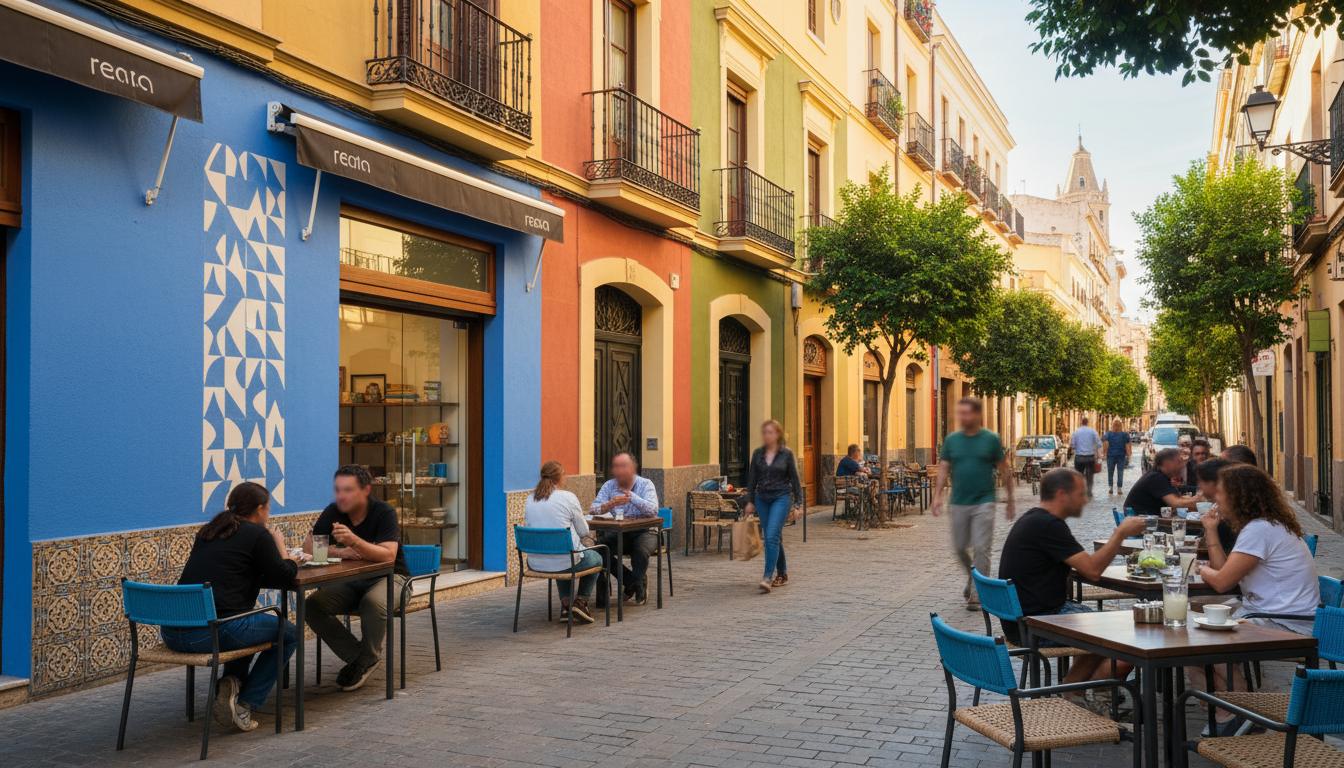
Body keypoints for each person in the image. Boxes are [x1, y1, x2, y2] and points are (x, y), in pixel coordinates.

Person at [998, 469, 1147, 716]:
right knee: (1114, 630)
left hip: (1024, 619)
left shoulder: (1036, 520)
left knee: (1105, 623)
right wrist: (1120, 532)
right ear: (1061, 494)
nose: (1086, 499)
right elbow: (1093, 570)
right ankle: (1077, 692)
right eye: (1081, 494)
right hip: (1034, 626)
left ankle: (1081, 691)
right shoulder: (1048, 525)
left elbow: (1079, 563)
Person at [1188, 463, 1320, 736]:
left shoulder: (1260, 530)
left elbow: (1223, 582)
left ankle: (1244, 708)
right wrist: (1211, 530)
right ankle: (1231, 711)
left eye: (1221, 492)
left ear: (1239, 495)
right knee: (1189, 644)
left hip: (1289, 624)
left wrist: (1196, 568)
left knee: (1195, 644)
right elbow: (1226, 574)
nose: (1216, 498)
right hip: (1270, 614)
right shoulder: (1264, 525)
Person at [163, 482, 302, 731]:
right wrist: (284, 550)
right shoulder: (258, 534)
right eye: (268, 509)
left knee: (245, 621)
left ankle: (231, 684)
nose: (268, 515)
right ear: (260, 509)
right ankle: (244, 703)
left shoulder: (210, 530)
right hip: (211, 634)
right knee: (289, 633)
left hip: (174, 633)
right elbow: (283, 575)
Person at [305, 465, 409, 692]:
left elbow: (389, 556)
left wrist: (354, 541)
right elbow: (309, 546)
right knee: (313, 605)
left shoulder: (384, 512)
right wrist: (339, 551)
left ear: (365, 491)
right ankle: (361, 658)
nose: (341, 496)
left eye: (348, 490)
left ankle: (365, 657)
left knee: (372, 601)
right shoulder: (333, 511)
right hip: (353, 580)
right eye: (338, 489)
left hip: (392, 577)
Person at [932, 397, 1014, 612]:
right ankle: (972, 576)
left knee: (981, 547)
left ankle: (978, 593)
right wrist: (937, 495)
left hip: (984, 501)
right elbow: (943, 468)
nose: (962, 417)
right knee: (959, 547)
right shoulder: (952, 440)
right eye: (960, 413)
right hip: (958, 501)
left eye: (967, 413)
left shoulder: (991, 439)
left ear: (977, 415)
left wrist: (1010, 500)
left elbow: (1004, 470)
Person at [524, 461, 598, 624]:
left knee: (561, 554)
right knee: (598, 557)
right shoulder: (568, 497)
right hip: (566, 561)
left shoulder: (531, 498)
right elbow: (584, 531)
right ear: (561, 477)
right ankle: (580, 601)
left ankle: (566, 605)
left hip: (535, 562)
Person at [590, 452, 660, 607]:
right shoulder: (609, 486)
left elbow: (653, 511)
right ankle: (631, 581)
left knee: (640, 551)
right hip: (621, 533)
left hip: (645, 531)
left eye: (623, 466)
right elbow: (593, 509)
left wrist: (632, 497)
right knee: (600, 550)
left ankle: (638, 585)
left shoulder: (645, 484)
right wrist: (609, 504)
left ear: (632, 468)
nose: (619, 470)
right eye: (616, 466)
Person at [744, 419, 803, 593]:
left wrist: (799, 504)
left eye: (770, 432)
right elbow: (751, 480)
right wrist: (750, 501)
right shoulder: (757, 454)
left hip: (781, 498)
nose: (766, 435)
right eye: (764, 432)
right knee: (774, 537)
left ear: (778, 434)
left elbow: (795, 479)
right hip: (762, 498)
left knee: (770, 536)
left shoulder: (787, 454)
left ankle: (767, 577)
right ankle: (782, 573)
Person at [1121, 448, 1202, 517]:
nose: (1182, 465)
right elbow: (1177, 504)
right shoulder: (1156, 478)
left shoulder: (1158, 476)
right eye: (1179, 462)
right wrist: (1201, 498)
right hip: (1142, 523)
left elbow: (1178, 502)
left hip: (1145, 519)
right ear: (1168, 463)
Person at [1194, 458, 1238, 552]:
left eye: (1201, 481)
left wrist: (1211, 530)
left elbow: (1224, 565)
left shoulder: (1232, 520)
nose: (1199, 486)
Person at [1069, 417, 1103, 497]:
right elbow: (1098, 443)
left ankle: (1080, 491)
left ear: (1081, 422)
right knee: (1089, 475)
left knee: (1079, 475)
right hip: (1089, 457)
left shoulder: (1076, 432)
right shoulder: (1092, 431)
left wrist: (1076, 449)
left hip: (1079, 457)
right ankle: (1089, 491)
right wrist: (1098, 452)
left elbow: (1072, 444)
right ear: (1087, 422)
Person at [1100, 418, 1132, 495]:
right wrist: (1128, 457)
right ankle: (1119, 489)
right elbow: (1128, 446)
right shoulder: (1125, 435)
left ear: (1112, 426)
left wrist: (1104, 453)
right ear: (1121, 426)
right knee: (1120, 472)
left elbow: (1105, 443)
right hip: (1121, 456)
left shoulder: (1108, 434)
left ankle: (1111, 487)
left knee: (1110, 472)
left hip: (1110, 455)